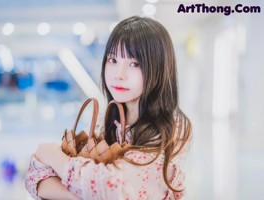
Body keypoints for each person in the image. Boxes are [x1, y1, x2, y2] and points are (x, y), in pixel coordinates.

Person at [25, 16, 192, 200]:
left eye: (134, 64)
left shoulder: (170, 131)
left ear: (159, 68)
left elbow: (112, 186)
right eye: (112, 60)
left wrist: (50, 153)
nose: (118, 75)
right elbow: (34, 178)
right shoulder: (112, 124)